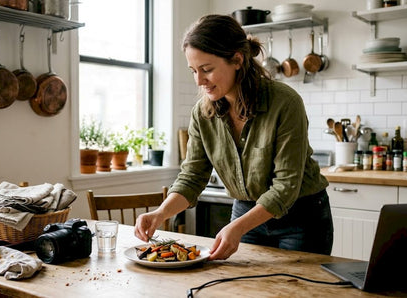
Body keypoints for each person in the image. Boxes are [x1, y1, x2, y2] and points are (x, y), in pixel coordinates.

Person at [134, 14, 333, 261]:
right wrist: (161, 213)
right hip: (246, 213)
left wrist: (238, 226)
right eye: (194, 70)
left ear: (237, 59)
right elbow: (192, 177)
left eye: (207, 69)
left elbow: (285, 186)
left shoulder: (285, 102)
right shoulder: (202, 114)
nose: (199, 80)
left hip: (300, 218)